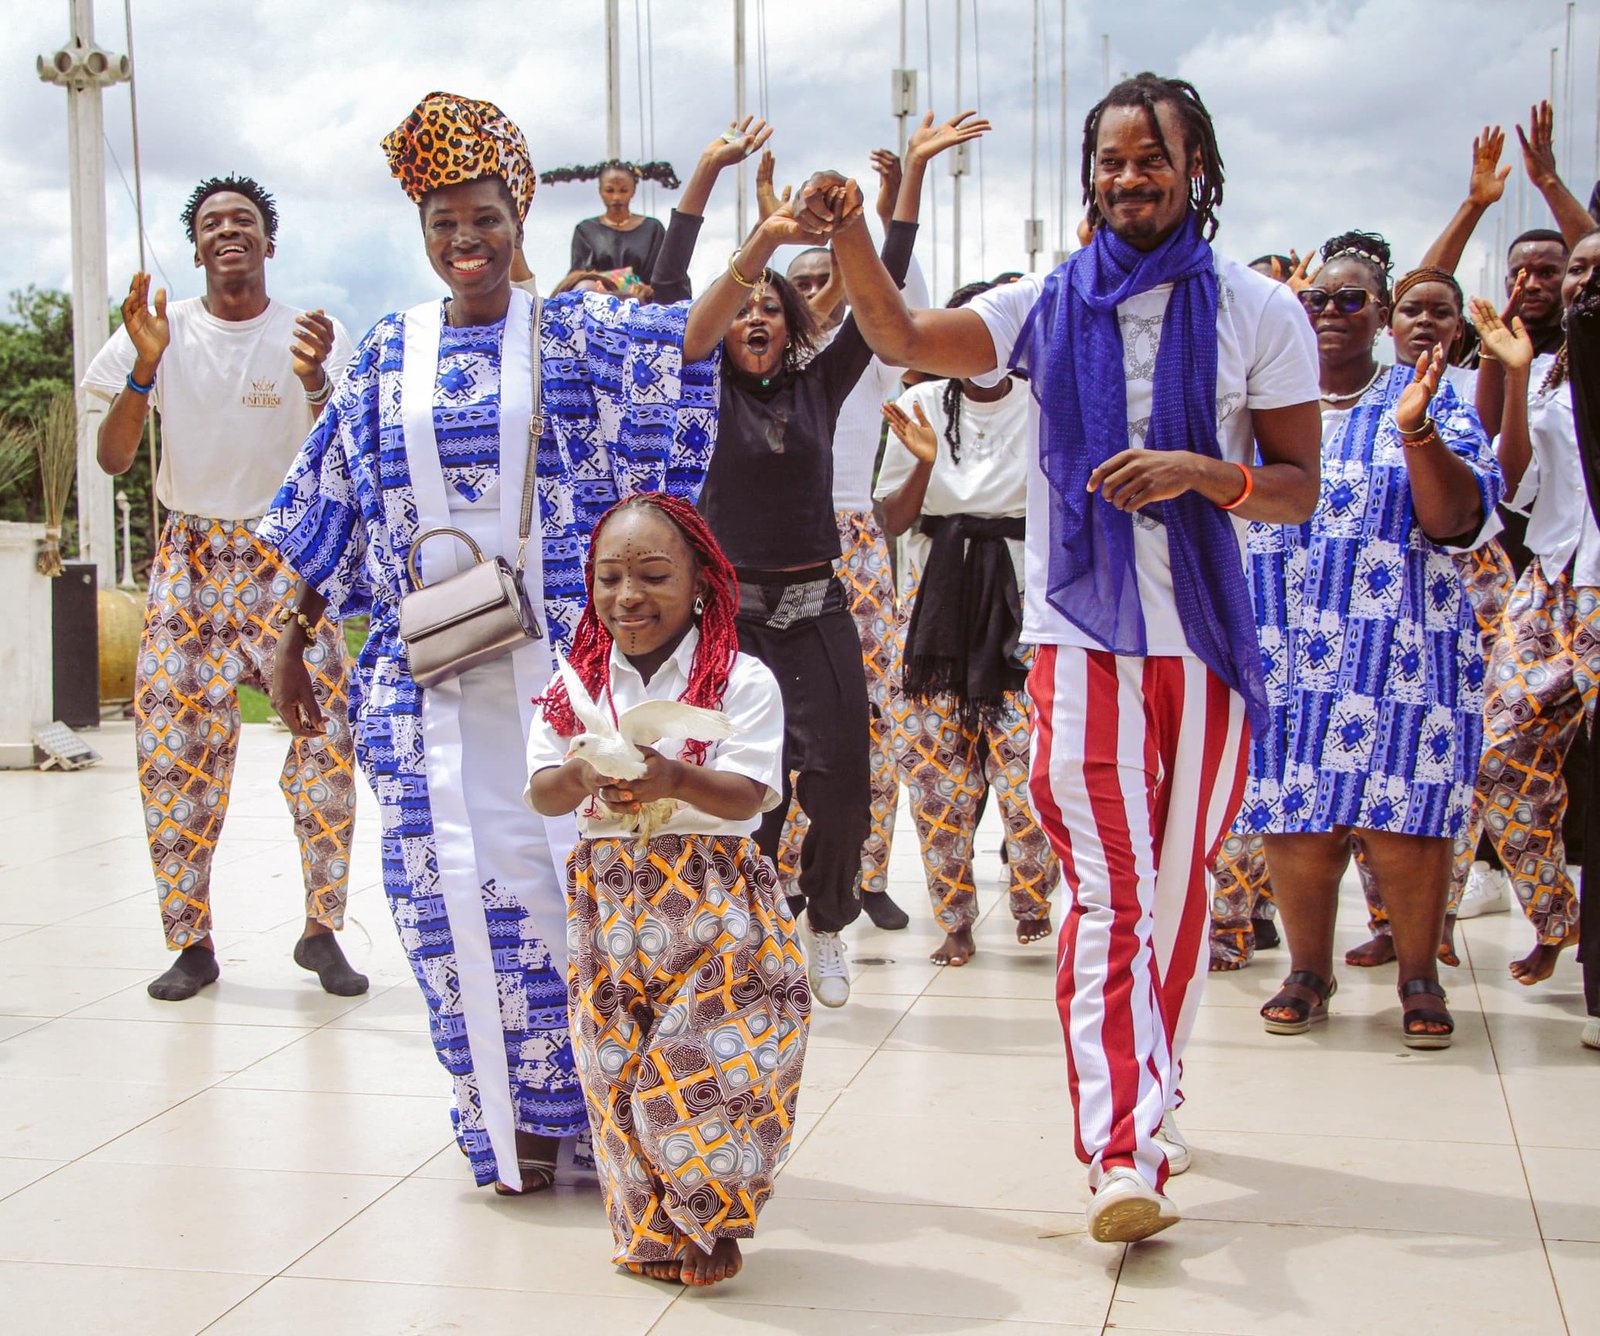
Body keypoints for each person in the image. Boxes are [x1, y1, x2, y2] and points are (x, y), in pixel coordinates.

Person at [258, 92, 827, 1195]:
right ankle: (500, 1123)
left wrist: (760, 242)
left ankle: (600, 1116)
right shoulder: (389, 350)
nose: (464, 243)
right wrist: (293, 630)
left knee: (562, 889)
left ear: (520, 215)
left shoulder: (568, 331)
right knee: (441, 897)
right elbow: (333, 489)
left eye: (484, 219)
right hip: (422, 684)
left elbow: (684, 342)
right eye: (442, 225)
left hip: (558, 678)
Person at [814, 72, 1321, 1241]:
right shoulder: (1045, 302)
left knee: (1183, 885)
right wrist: (852, 230)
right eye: (1110, 161)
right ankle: (1116, 1148)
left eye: (1153, 158)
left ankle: (1161, 1086)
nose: (1130, 177)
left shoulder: (1257, 310)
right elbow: (896, 335)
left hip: (1201, 639)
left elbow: (1296, 489)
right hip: (1076, 636)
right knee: (1108, 891)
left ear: (1196, 170)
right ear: (1085, 176)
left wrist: (1205, 473)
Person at [696, 111, 986, 1010]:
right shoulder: (701, 390)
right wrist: (761, 241)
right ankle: (742, 930)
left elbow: (880, 290)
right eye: (745, 307)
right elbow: (693, 315)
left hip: (818, 608)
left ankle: (825, 925)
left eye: (769, 311)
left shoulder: (824, 381)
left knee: (844, 783)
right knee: (746, 785)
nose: (754, 319)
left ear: (791, 327)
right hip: (733, 617)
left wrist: (902, 195)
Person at [82, 174, 362, 1003]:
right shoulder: (160, 335)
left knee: (325, 744)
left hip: (287, 559)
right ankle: (192, 940)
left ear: (269, 243)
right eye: (211, 223)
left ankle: (321, 930)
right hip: (191, 560)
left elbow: (341, 456)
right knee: (173, 752)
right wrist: (143, 367)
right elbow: (113, 459)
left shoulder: (313, 332)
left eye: (244, 220)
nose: (228, 231)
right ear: (197, 246)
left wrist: (314, 382)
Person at [527, 492, 807, 1288]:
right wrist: (584, 771)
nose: (628, 596)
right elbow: (544, 789)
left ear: (702, 584)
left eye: (653, 575)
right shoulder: (571, 685)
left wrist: (673, 775)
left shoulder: (741, 680)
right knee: (614, 1063)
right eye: (609, 578)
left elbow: (749, 794)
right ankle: (653, 1233)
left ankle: (709, 1217)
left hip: (716, 899)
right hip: (608, 898)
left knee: (704, 1058)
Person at [1244, 231, 1499, 1052]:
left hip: (1403, 646)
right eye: (1315, 298)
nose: (1329, 312)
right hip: (1285, 639)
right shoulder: (1261, 402)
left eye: (1350, 299)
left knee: (1407, 821)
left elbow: (1457, 521)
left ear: (1382, 315)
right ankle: (1309, 971)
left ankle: (1418, 976)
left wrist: (1417, 431)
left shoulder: (1431, 394)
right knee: (1297, 816)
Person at [761, 141, 934, 934]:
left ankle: (864, 875)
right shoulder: (759, 368)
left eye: (824, 279)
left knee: (870, 714)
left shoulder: (856, 361)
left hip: (856, 540)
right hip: (773, 548)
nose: (813, 294)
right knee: (774, 717)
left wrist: (903, 194)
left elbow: (886, 282)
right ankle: (783, 877)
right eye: (796, 284)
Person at [876, 280, 1062, 966]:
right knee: (935, 777)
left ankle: (1033, 896)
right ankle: (953, 918)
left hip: (1024, 601)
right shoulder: (918, 404)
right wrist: (924, 468)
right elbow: (890, 522)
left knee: (1029, 772)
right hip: (933, 606)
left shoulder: (1050, 404)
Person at [1469, 228, 1600, 986]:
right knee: (1502, 756)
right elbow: (1512, 483)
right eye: (1573, 269)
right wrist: (1515, 378)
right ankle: (1555, 913)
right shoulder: (1547, 371)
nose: (1578, 281)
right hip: (1549, 581)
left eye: (1588, 269)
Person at [563, 158, 678, 284]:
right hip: (599, 299)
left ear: (633, 190)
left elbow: (664, 274)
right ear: (600, 191)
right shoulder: (585, 230)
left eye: (623, 190)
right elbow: (579, 276)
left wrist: (644, 290)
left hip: (645, 301)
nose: (616, 197)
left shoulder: (653, 229)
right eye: (609, 190)